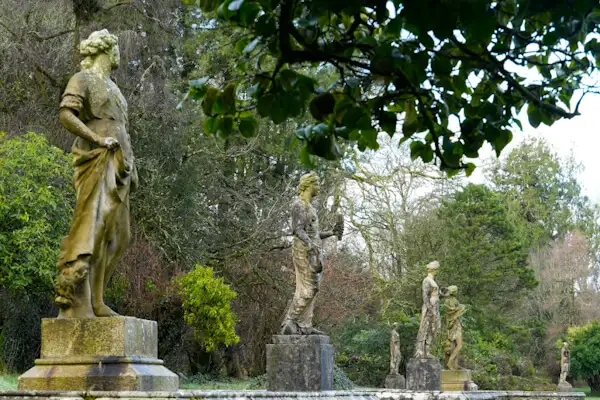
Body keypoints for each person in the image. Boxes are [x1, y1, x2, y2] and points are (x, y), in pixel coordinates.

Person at [54, 29, 138, 318]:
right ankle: (86, 302)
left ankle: (97, 299)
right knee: (96, 230)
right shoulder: (83, 79)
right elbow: (66, 114)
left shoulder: (114, 88)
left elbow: (121, 128)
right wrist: (96, 138)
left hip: (120, 164)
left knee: (121, 235)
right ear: (107, 50)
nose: (119, 55)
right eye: (116, 50)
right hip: (97, 158)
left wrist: (131, 164)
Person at [280, 172, 343, 335]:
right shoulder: (298, 205)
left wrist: (331, 233)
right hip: (303, 250)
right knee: (309, 288)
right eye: (317, 183)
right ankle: (290, 321)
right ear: (308, 185)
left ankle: (304, 325)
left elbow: (314, 234)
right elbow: (297, 230)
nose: (320, 187)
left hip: (313, 250)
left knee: (313, 289)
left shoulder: (310, 208)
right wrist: (310, 245)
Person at [414, 261, 442, 358]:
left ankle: (428, 350)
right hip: (429, 307)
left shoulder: (432, 280)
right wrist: (430, 308)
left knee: (433, 328)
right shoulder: (427, 280)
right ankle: (421, 351)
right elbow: (425, 295)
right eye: (437, 269)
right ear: (434, 270)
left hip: (435, 306)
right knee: (426, 327)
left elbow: (435, 293)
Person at [444, 285, 466, 370]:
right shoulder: (450, 301)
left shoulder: (451, 300)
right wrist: (460, 308)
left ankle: (454, 364)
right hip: (454, 324)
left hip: (455, 323)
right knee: (459, 345)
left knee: (455, 345)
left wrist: (460, 307)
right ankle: (450, 362)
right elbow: (452, 310)